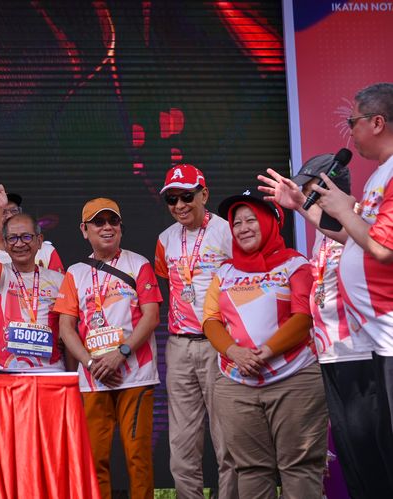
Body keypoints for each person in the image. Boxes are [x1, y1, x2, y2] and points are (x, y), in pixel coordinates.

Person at [259, 153, 393, 496]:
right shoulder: (324, 231)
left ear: (327, 186)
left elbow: (377, 257)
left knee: (373, 456)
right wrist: (300, 205)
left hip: (361, 354)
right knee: (352, 458)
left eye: (309, 189)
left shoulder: (359, 218)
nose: (304, 195)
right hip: (332, 355)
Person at [202, 192, 328, 498]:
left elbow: (303, 316)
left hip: (294, 378)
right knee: (250, 469)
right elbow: (210, 320)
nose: (243, 228)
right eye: (237, 223)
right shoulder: (225, 271)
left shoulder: (295, 264)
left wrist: (266, 352)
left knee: (299, 467)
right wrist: (234, 352)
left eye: (252, 220)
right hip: (235, 383)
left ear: (271, 222)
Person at [300, 83, 393, 437]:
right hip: (378, 337)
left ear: (378, 122)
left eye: (353, 121)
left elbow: (382, 248)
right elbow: (354, 237)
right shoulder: (380, 174)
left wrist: (342, 209)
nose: (349, 131)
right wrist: (300, 205)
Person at [54, 198, 161, 499]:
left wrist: (121, 354)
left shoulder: (138, 264)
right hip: (93, 379)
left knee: (138, 457)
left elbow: (152, 317)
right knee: (95, 458)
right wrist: (91, 364)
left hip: (136, 374)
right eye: (98, 222)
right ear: (84, 229)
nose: (107, 227)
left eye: (113, 221)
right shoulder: (75, 273)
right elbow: (65, 328)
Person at [154, 165, 237, 499]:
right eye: (172, 199)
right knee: (181, 442)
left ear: (204, 194)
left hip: (220, 344)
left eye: (187, 196)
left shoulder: (227, 231)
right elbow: (170, 282)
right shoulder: (165, 239)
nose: (179, 205)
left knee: (228, 438)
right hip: (179, 346)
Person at [0, 174, 65, 372]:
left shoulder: (60, 280)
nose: (19, 244)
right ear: (6, 244)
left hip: (51, 369)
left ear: (39, 241)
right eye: (13, 239)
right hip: (7, 369)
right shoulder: (0, 275)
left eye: (26, 237)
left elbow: (68, 327)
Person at [0, 191, 64, 273]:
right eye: (2, 212)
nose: (10, 216)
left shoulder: (46, 251)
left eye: (14, 211)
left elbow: (59, 282)